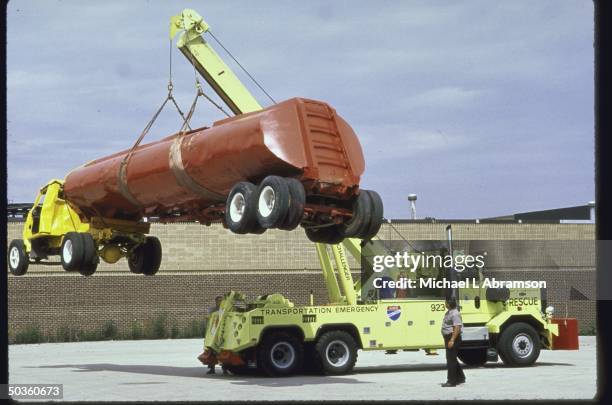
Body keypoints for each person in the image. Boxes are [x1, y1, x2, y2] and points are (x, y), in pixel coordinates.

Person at [440, 297, 465, 387]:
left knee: (450, 360)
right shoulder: (449, 312)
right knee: (452, 359)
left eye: (446, 302)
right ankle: (460, 378)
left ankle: (451, 381)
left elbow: (457, 328)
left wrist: (452, 340)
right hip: (449, 337)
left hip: (453, 338)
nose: (445, 304)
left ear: (449, 304)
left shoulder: (455, 314)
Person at [206, 295, 228, 375]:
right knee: (211, 352)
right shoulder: (212, 310)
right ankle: (212, 368)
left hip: (222, 334)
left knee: (223, 352)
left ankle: (225, 369)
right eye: (219, 300)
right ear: (216, 301)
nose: (220, 302)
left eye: (221, 300)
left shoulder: (225, 310)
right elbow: (209, 319)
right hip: (213, 334)